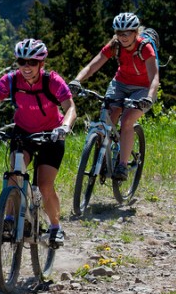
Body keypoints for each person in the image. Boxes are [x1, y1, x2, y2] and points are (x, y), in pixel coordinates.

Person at [0, 38, 76, 248]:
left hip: (51, 135)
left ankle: (56, 228)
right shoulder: (10, 81)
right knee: (15, 174)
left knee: (45, 184)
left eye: (32, 62)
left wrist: (64, 127)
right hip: (24, 133)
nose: (26, 67)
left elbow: (70, 108)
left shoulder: (52, 81)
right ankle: (10, 220)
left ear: (42, 63)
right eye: (22, 62)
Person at [68, 12, 159, 181]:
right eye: (119, 33)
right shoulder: (115, 45)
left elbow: (154, 77)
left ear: (135, 32)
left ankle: (123, 165)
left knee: (127, 121)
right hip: (120, 83)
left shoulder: (145, 48)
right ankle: (105, 153)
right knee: (109, 115)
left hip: (143, 88)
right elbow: (93, 65)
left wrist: (148, 98)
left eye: (127, 33)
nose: (122, 37)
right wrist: (77, 80)